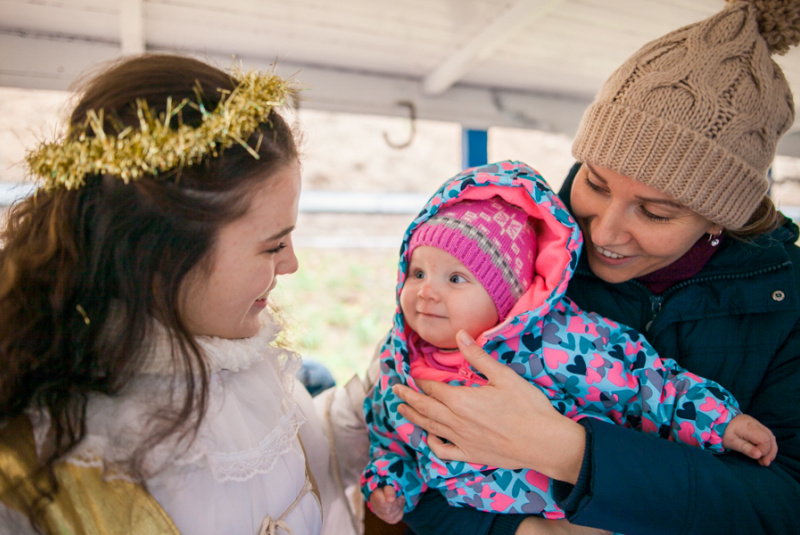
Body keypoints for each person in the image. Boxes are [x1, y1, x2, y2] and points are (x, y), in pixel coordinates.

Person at [393, 1, 800, 534]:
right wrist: (525, 532)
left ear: (719, 218)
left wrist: (571, 453)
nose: (603, 233)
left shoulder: (784, 297)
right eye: (597, 183)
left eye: (655, 212)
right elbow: (417, 457)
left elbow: (784, 502)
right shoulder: (514, 257)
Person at [0, 54, 369, 535]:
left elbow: (305, 465)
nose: (290, 264)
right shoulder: (39, 463)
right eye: (273, 245)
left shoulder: (244, 367)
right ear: (162, 256)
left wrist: (381, 394)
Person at [360, 160, 776, 527]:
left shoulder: (559, 343)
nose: (426, 293)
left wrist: (718, 421)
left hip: (580, 513)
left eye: (455, 279)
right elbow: (390, 438)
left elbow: (648, 385)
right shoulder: (398, 361)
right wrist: (390, 482)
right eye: (417, 274)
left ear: (506, 297)